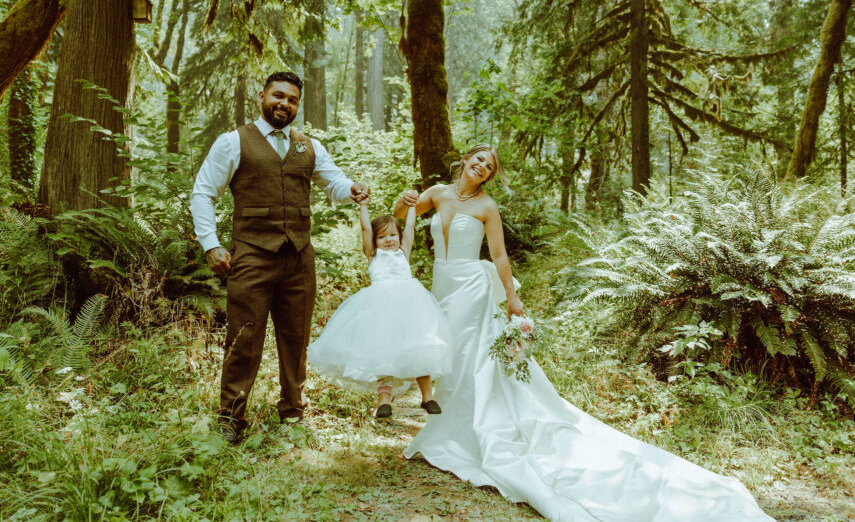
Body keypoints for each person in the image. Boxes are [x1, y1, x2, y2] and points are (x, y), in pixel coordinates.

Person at [394, 144, 772, 522]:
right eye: (478, 160)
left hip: (474, 289)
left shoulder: (486, 206)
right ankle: (446, 430)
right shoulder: (437, 194)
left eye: (489, 166)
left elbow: (499, 256)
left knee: (468, 357)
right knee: (448, 354)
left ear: (491, 175)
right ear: (465, 160)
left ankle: (462, 433)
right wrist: (403, 199)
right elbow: (400, 216)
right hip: (442, 286)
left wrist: (512, 299)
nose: (482, 167)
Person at [190, 71, 369, 443]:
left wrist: (349, 188)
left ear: (297, 106)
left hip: (299, 258)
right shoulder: (233, 142)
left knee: (295, 338)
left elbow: (332, 182)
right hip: (252, 256)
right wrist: (211, 243)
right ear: (262, 96)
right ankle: (231, 419)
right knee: (244, 338)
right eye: (278, 96)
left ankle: (293, 412)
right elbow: (203, 193)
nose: (284, 104)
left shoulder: (309, 146)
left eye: (292, 100)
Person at [307, 195, 452, 419]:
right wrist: (363, 206)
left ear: (399, 236)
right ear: (374, 241)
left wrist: (412, 207)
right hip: (381, 311)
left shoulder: (403, 252)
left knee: (419, 349)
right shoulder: (373, 256)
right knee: (384, 354)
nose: (388, 240)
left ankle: (427, 397)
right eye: (382, 236)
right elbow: (365, 228)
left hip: (410, 308)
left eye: (393, 235)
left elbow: (411, 226)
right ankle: (384, 401)